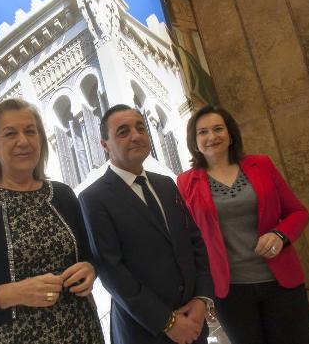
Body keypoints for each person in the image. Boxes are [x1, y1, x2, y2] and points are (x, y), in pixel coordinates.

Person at [0, 98, 104, 344]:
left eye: (30, 131)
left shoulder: (61, 194)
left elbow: (90, 256)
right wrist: (16, 292)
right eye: (10, 134)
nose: (23, 141)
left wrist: (90, 269)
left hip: (82, 332)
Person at [79, 104, 214, 344]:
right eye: (123, 131)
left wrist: (201, 299)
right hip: (144, 331)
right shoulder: (93, 198)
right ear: (105, 145)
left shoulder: (165, 184)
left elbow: (194, 241)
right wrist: (167, 322)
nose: (136, 135)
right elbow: (112, 271)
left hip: (193, 321)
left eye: (140, 128)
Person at [176, 105, 309, 344]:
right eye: (203, 132)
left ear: (230, 135)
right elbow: (188, 240)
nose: (212, 137)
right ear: (194, 142)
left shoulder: (262, 165)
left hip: (281, 282)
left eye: (218, 129)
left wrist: (279, 235)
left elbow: (299, 213)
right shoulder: (186, 181)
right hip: (230, 291)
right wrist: (200, 293)